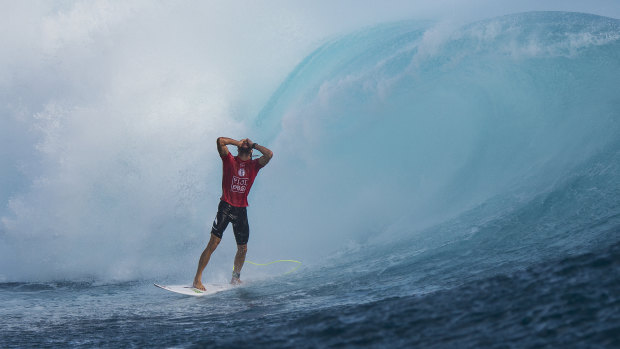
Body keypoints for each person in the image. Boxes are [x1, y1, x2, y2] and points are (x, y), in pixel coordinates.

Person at [193, 137, 273, 291]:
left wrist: (253, 144)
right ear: (238, 150)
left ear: (251, 152)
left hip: (241, 210)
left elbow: (269, 154)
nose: (244, 146)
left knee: (243, 248)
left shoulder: (254, 165)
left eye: (247, 146)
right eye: (242, 146)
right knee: (213, 243)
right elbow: (220, 141)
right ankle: (197, 280)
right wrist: (239, 143)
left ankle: (235, 279)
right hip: (225, 207)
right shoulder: (229, 160)